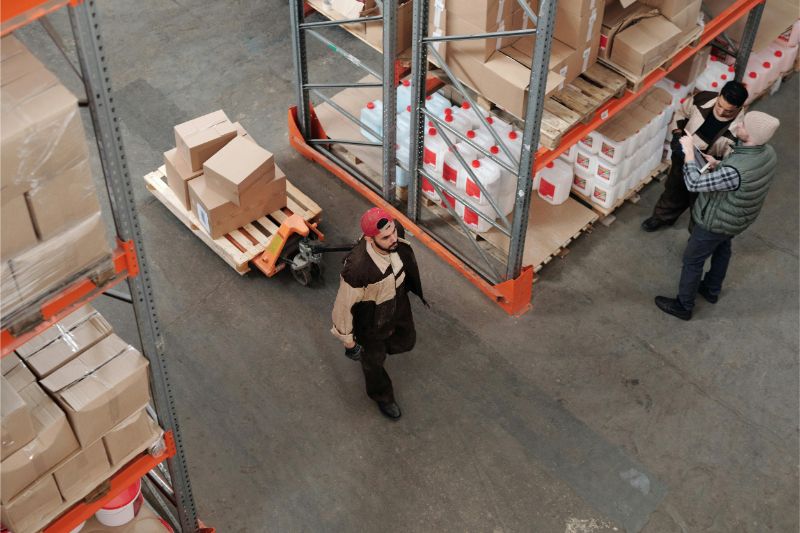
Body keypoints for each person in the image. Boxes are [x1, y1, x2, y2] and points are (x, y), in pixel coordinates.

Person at [655, 111, 779, 320]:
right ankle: (711, 289)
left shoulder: (736, 171)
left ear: (750, 135)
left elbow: (694, 183)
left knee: (692, 260)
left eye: (743, 124)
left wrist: (688, 154)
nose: (738, 124)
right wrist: (717, 164)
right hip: (737, 218)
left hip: (716, 220)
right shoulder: (768, 153)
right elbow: (742, 173)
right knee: (723, 248)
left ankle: (683, 306)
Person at [331, 207, 427, 420]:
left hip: (398, 304)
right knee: (374, 363)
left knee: (407, 341)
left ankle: (379, 351)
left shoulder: (395, 234)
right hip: (370, 321)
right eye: (386, 237)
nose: (394, 238)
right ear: (369, 238)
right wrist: (349, 342)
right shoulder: (357, 269)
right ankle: (382, 396)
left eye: (393, 230)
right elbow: (343, 307)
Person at [642, 81, 749, 232]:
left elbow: (733, 162)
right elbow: (682, 113)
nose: (721, 112)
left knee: (700, 205)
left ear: (739, 108)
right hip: (684, 156)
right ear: (719, 95)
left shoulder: (740, 130)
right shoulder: (703, 99)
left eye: (728, 111)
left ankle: (695, 234)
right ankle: (662, 217)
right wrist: (677, 133)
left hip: (708, 172)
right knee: (673, 188)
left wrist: (716, 164)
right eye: (719, 106)